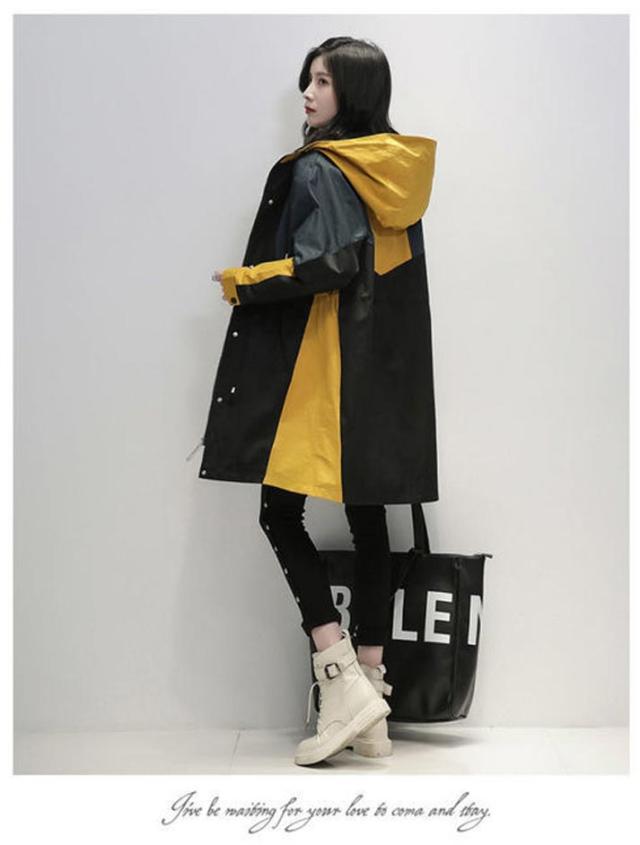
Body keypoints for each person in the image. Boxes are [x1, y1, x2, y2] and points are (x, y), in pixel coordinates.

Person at [200, 36, 439, 766]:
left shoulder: (321, 167)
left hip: (320, 373)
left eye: (324, 81)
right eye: (308, 79)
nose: (307, 93)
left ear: (353, 92)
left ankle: (339, 680)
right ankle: (371, 703)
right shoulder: (392, 171)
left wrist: (246, 280)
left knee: (279, 512)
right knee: (369, 523)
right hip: (381, 382)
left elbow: (328, 265)